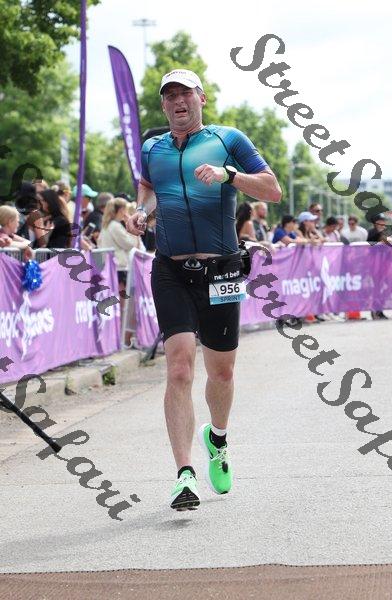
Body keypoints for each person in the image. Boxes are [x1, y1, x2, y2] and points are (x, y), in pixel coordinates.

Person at [126, 68, 282, 511]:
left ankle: (218, 438)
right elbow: (148, 189)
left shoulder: (229, 139)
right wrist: (141, 213)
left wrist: (229, 175)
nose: (178, 101)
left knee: (222, 372)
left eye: (186, 93)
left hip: (222, 269)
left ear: (202, 98)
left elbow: (273, 190)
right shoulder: (152, 148)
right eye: (170, 95)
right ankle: (184, 475)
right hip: (170, 269)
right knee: (178, 368)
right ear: (163, 105)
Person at [97, 197, 141, 297]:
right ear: (121, 210)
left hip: (111, 265)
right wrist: (133, 228)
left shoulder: (107, 225)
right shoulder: (115, 226)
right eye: (126, 209)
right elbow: (131, 244)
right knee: (122, 298)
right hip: (119, 266)